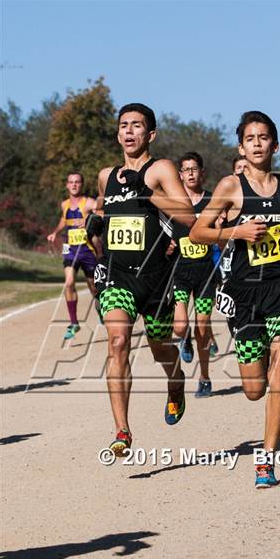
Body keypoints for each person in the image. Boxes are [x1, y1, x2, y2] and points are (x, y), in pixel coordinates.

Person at [190, 111, 280, 488]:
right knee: (254, 389)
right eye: (249, 138)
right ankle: (261, 359)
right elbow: (199, 232)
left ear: (275, 144)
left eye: (263, 137)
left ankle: (265, 460)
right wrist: (237, 230)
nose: (256, 143)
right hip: (244, 291)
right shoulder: (229, 188)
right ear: (241, 147)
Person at [93, 103, 195, 455]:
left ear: (150, 134)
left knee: (159, 347)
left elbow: (189, 216)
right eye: (124, 125)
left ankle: (176, 380)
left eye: (137, 126)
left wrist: (149, 192)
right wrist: (95, 227)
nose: (129, 131)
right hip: (118, 276)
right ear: (118, 132)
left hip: (156, 278)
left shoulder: (161, 169)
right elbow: (102, 215)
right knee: (118, 342)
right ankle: (122, 431)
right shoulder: (107, 176)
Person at [172, 152, 218, 397]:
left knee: (203, 327)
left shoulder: (212, 201)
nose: (190, 173)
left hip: (205, 272)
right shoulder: (175, 203)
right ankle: (184, 338)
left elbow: (223, 228)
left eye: (194, 169)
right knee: (180, 326)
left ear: (202, 172)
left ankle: (205, 378)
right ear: (179, 175)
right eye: (186, 169)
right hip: (180, 271)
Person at [47, 172, 98, 339]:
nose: (74, 185)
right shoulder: (64, 204)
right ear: (67, 185)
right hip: (70, 248)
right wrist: (55, 232)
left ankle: (100, 308)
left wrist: (89, 219)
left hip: (87, 249)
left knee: (94, 287)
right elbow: (64, 219)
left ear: (81, 184)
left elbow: (103, 214)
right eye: (71, 182)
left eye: (77, 182)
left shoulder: (89, 203)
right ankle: (74, 323)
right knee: (69, 283)